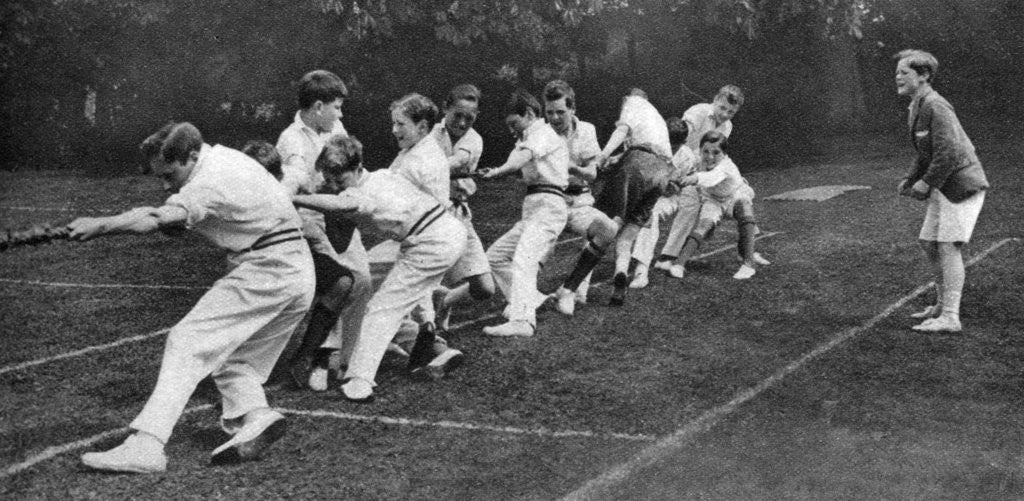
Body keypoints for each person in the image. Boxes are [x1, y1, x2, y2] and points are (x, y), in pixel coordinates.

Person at [77, 122, 315, 473]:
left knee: (187, 340)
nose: (165, 184)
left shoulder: (211, 180)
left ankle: (147, 446)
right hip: (298, 271)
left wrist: (101, 224)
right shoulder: (224, 159)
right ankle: (257, 415)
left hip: (269, 268)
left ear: (191, 156)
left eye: (169, 175)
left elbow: (158, 218)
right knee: (235, 362)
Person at [293, 135, 468, 401]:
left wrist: (296, 198)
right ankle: (424, 341)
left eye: (340, 180)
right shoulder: (382, 175)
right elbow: (341, 235)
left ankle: (359, 382)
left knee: (382, 308)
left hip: (431, 242)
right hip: (440, 234)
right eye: (330, 180)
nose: (335, 186)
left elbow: (345, 203)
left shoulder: (361, 193)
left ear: (357, 168)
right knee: (380, 281)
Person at [276, 70, 372, 392]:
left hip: (339, 212)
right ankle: (318, 357)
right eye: (337, 107)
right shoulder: (291, 140)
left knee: (363, 280)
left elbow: (347, 159)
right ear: (318, 107)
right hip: (310, 219)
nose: (341, 114)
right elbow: (292, 180)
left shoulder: (334, 127)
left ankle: (348, 359)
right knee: (342, 281)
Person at [242, 140, 356, 390]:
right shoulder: (237, 192)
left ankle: (304, 357)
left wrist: (333, 202)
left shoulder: (293, 178)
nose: (274, 180)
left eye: (276, 174)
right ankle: (243, 365)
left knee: (342, 281)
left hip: (297, 249)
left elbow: (322, 189)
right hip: (259, 257)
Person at [895, 49, 988, 333]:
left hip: (962, 185)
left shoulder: (936, 105)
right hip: (945, 185)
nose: (897, 77)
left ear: (923, 76)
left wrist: (926, 183)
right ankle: (940, 305)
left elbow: (949, 152)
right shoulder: (917, 105)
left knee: (948, 246)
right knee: (929, 243)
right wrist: (911, 178)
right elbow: (925, 153)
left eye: (904, 72)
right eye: (897, 72)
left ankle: (950, 316)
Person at [384, 92, 467, 379]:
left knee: (393, 287)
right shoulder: (414, 152)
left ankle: (428, 343)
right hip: (430, 234)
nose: (394, 130)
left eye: (400, 124)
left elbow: (392, 191)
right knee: (415, 289)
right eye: (394, 123)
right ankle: (428, 344)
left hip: (425, 234)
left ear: (421, 127)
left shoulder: (420, 158)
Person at [479, 89, 570, 337]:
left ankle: (523, 321)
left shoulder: (543, 133)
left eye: (514, 123)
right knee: (495, 257)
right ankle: (532, 300)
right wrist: (494, 169)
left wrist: (497, 172)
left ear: (529, 113)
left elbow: (520, 160)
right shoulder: (526, 138)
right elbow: (516, 157)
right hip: (534, 209)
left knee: (524, 259)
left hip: (549, 206)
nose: (511, 129)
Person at [427, 84, 497, 334]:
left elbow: (458, 161)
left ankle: (444, 301)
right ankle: (422, 333)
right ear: (445, 108)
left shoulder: (474, 140)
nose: (462, 122)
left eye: (470, 117)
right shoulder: (429, 133)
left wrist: (426, 169)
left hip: (458, 214)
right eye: (457, 114)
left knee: (485, 288)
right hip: (430, 215)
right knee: (426, 277)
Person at [541, 79, 602, 306]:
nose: (555, 118)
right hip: (551, 197)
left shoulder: (586, 130)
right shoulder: (541, 132)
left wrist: (573, 168)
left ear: (572, 109)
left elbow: (593, 173)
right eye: (550, 113)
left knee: (600, 232)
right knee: (541, 248)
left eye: (560, 112)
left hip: (580, 197)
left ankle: (575, 291)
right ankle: (522, 298)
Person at [672, 131, 763, 280]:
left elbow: (711, 177)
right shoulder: (696, 158)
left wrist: (693, 178)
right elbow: (683, 164)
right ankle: (679, 264)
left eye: (716, 152)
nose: (709, 157)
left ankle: (748, 265)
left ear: (724, 153)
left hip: (734, 196)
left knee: (745, 207)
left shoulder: (726, 166)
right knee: (703, 227)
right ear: (700, 150)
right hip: (712, 200)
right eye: (705, 151)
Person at [627, 117, 700, 287]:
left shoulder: (686, 156)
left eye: (675, 145)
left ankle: (641, 270)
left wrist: (663, 182)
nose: (670, 148)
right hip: (645, 192)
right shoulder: (652, 147)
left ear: (683, 142)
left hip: (668, 198)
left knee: (651, 214)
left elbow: (672, 190)